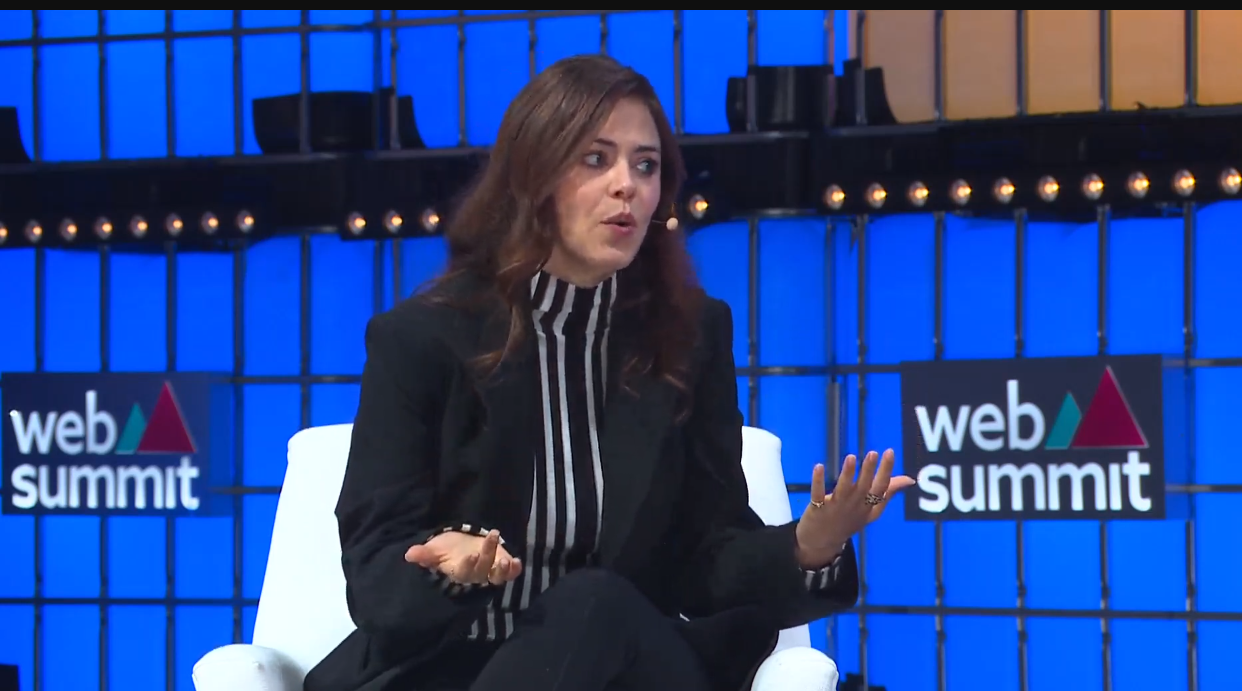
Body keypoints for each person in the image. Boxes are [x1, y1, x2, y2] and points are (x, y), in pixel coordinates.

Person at [303, 54, 914, 691]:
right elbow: (376, 576)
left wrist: (809, 546)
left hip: (626, 667)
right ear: (533, 176)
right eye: (595, 159)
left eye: (646, 165)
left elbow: (707, 555)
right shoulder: (421, 339)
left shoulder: (691, 335)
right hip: (455, 664)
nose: (627, 185)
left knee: (591, 605)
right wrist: (446, 569)